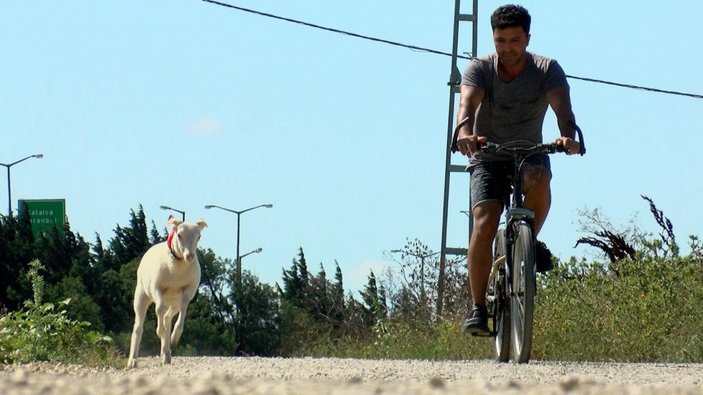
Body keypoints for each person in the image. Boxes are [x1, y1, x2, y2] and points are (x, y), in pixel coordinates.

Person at [453, 4, 582, 335]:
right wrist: (465, 134)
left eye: (514, 40)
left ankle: (528, 241)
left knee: (540, 180)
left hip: (530, 151)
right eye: (500, 41)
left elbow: (562, 106)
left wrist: (568, 136)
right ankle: (478, 308)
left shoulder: (546, 69)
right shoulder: (480, 69)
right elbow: (467, 104)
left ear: (527, 38)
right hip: (487, 153)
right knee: (483, 223)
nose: (507, 48)